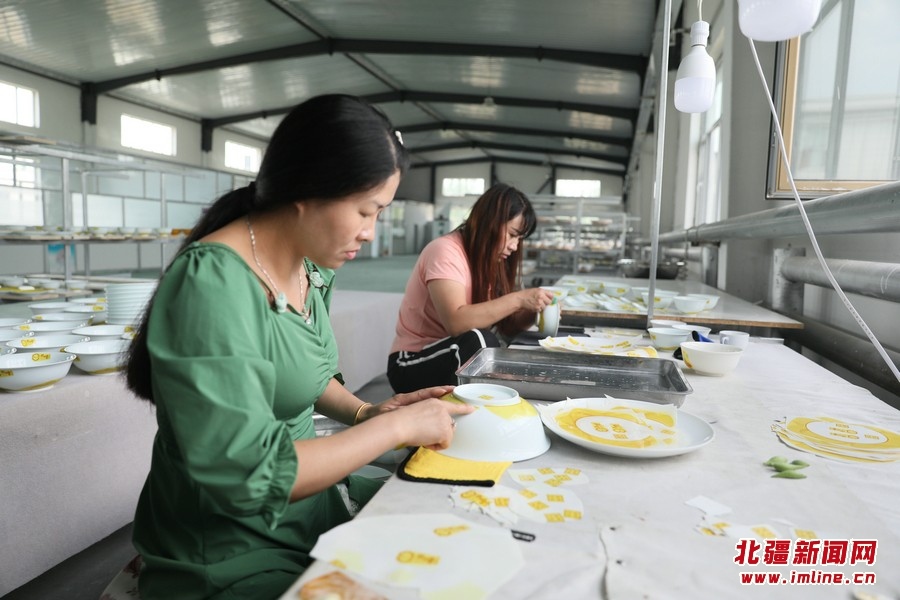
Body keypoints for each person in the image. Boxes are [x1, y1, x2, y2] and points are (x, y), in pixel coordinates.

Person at [123, 94, 474, 600]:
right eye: (366, 211)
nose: (370, 233)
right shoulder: (213, 285)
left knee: (454, 525)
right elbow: (249, 477)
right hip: (229, 545)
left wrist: (368, 413)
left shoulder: (310, 266)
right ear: (309, 189)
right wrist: (395, 428)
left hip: (311, 504)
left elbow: (306, 374)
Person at [386, 183, 555, 393]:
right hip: (410, 363)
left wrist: (535, 309)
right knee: (480, 340)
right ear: (490, 223)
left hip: (451, 353)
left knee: (492, 346)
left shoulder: (489, 260)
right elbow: (457, 324)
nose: (514, 246)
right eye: (512, 234)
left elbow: (507, 328)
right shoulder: (445, 251)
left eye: (520, 239)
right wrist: (519, 299)